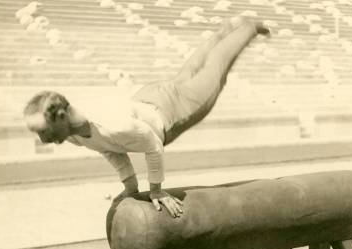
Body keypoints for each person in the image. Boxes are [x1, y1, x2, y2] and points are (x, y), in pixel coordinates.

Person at [22, 17, 270, 217]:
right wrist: (130, 186)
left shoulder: (113, 123)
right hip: (147, 100)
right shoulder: (74, 132)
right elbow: (109, 148)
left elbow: (152, 145)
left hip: (172, 113)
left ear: (62, 116)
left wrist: (156, 191)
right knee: (190, 69)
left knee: (215, 69)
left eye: (43, 131)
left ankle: (248, 26)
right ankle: (222, 32)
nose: (43, 140)